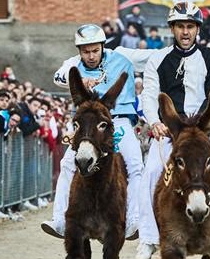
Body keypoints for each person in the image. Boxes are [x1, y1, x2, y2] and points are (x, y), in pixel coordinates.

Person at [135, 1, 210, 259]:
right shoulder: (157, 59)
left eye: (190, 26)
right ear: (172, 29)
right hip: (170, 131)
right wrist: (154, 122)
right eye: (180, 27)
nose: (185, 32)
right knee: (150, 170)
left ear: (197, 29)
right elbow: (150, 95)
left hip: (206, 128)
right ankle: (149, 238)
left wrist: (203, 126)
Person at [41, 24, 146, 240]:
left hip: (120, 120)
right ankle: (60, 220)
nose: (90, 56)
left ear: (103, 46)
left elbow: (152, 57)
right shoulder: (74, 64)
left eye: (95, 50)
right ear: (79, 51)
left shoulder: (122, 56)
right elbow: (59, 76)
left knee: (136, 165)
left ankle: (133, 220)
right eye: (85, 51)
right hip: (89, 125)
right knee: (68, 164)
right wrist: (80, 79)